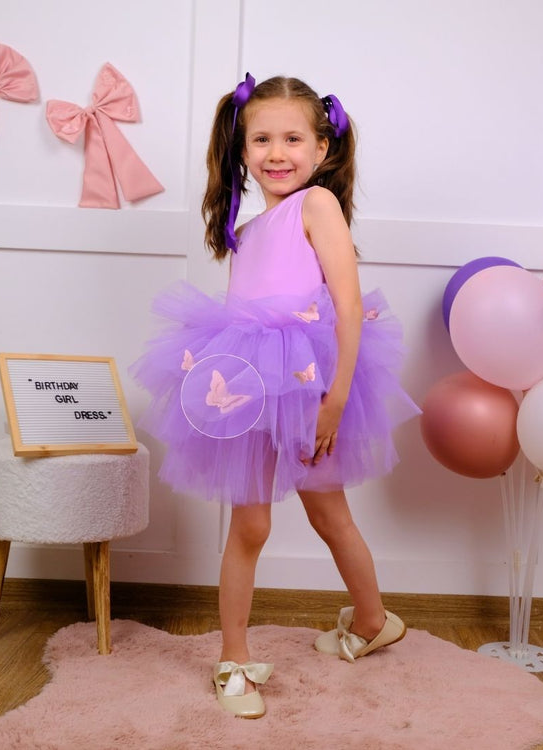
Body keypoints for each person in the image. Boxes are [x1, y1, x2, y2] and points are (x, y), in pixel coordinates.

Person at [132, 74, 419, 719]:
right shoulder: (249, 228)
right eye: (261, 139)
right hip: (247, 385)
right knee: (251, 523)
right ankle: (233, 659)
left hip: (310, 382)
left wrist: (337, 399)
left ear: (322, 149)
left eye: (293, 138)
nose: (276, 152)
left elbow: (346, 304)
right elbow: (246, 316)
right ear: (241, 149)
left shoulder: (316, 204)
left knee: (329, 513)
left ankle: (373, 620)